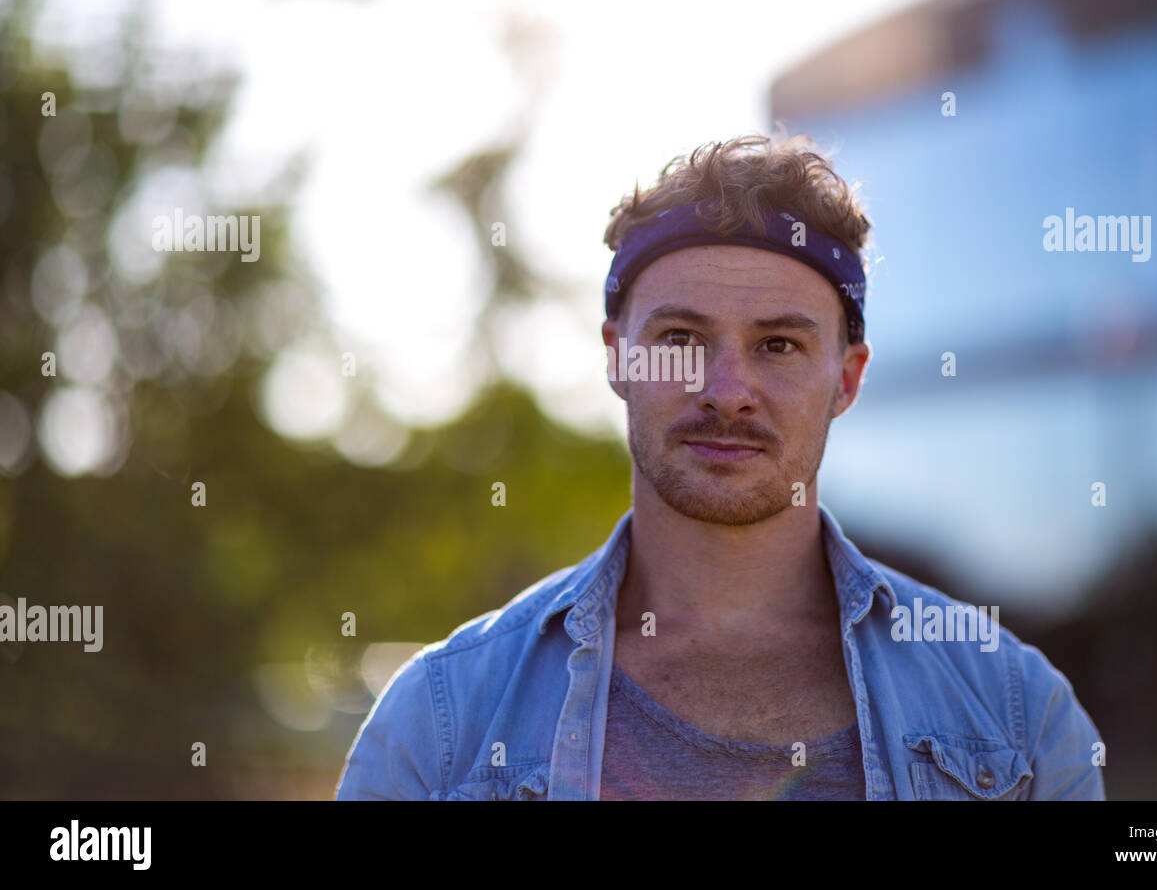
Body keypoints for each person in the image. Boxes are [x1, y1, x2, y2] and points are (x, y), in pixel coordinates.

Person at [336, 133, 1105, 800]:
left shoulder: (1016, 715)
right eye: (679, 340)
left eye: (778, 345)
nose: (726, 393)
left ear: (847, 378)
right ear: (617, 357)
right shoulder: (439, 723)